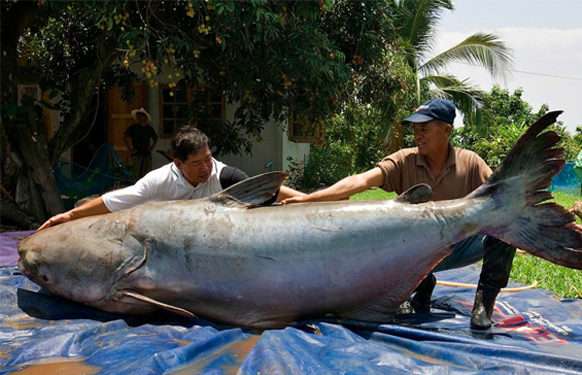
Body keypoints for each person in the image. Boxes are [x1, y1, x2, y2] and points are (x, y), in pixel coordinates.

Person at [282, 98, 516, 330]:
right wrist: (308, 199)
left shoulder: (471, 162)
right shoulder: (405, 160)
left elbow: (502, 197)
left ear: (446, 130)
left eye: (424, 129)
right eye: (415, 130)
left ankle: (483, 306)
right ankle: (421, 284)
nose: (418, 135)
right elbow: (361, 180)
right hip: (412, 253)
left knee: (505, 227)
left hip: (457, 245)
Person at [39, 126, 304, 231]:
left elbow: (267, 190)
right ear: (177, 163)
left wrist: (310, 200)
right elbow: (112, 202)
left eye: (208, 159)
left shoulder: (223, 175)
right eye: (197, 163)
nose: (205, 168)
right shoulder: (157, 182)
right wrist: (69, 217)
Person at [124, 107, 159, 178]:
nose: (138, 118)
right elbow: (125, 137)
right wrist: (130, 149)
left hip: (146, 154)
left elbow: (156, 138)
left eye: (140, 116)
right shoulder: (133, 127)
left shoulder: (149, 129)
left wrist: (152, 147)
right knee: (135, 175)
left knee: (146, 175)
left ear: (144, 117)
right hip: (136, 154)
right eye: (137, 116)